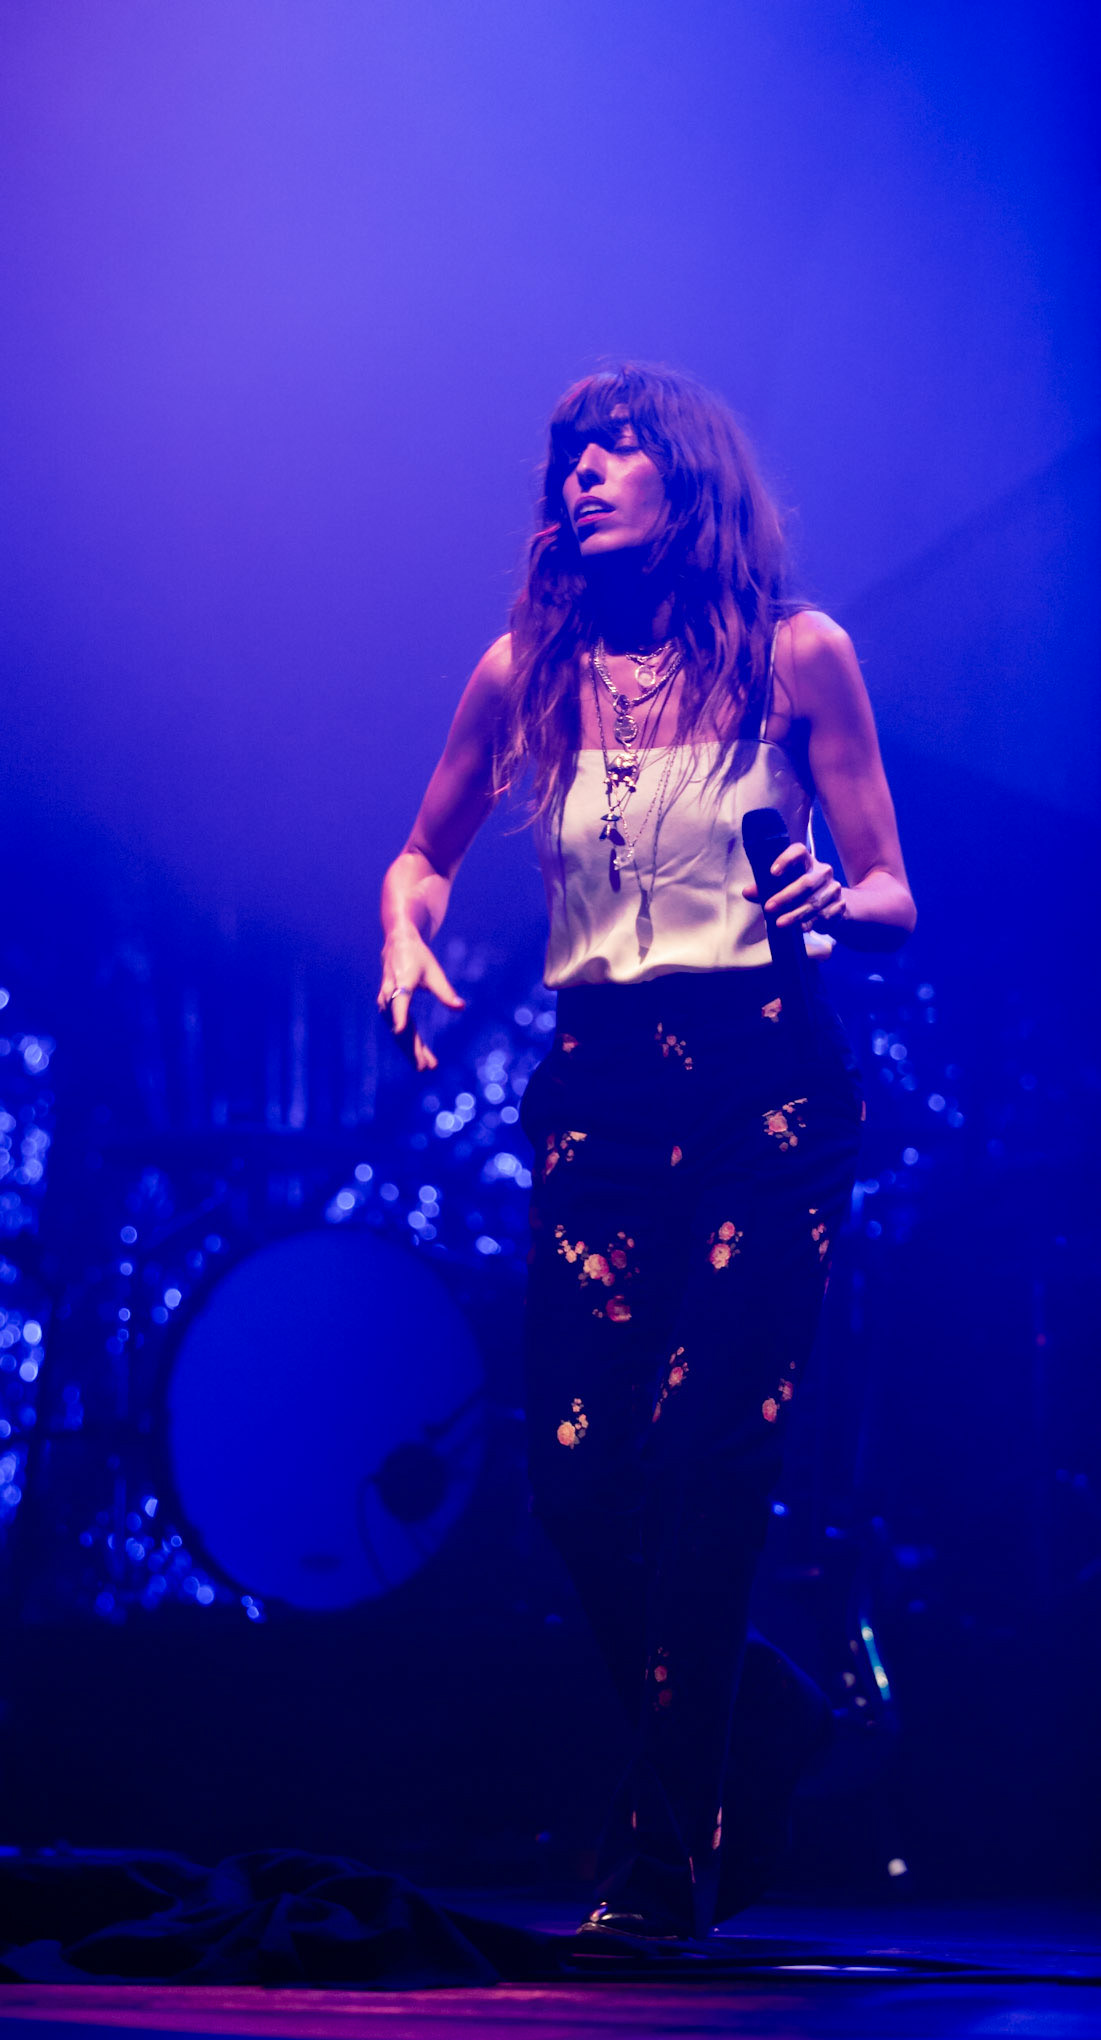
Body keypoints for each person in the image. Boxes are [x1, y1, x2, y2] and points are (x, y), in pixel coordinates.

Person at [377, 363, 916, 1942]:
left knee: (707, 1460)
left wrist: (834, 897)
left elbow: (891, 889)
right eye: (567, 457)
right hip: (600, 1094)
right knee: (570, 1482)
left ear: (690, 478)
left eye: (617, 449)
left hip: (765, 1090)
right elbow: (422, 848)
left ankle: (666, 1846)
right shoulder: (522, 675)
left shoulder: (794, 657)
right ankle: (759, 1721)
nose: (584, 475)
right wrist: (402, 934)